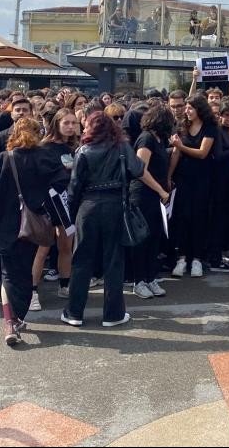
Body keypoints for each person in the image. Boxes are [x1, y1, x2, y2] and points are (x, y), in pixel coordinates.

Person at [61, 112, 162, 328]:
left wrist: (72, 212)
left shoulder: (83, 151)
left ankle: (74, 313)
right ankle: (113, 314)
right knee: (114, 260)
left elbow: (74, 186)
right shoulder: (122, 146)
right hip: (115, 204)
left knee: (82, 260)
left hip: (88, 207)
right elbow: (137, 169)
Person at [0, 118, 59, 346]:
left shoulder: (3, 159)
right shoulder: (44, 157)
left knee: (8, 272)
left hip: (5, 221)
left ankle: (9, 321)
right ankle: (18, 316)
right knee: (26, 269)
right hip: (33, 222)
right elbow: (62, 183)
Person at [26, 109, 79, 310]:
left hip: (68, 202)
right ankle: (32, 291)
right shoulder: (43, 148)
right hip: (48, 203)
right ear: (56, 123)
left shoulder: (74, 147)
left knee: (66, 244)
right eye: (66, 122)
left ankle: (64, 284)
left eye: (74, 122)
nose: (71, 126)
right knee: (43, 249)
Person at [168, 95, 218, 278]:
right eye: (186, 108)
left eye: (190, 108)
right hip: (182, 179)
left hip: (202, 180)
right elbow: (175, 153)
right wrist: (168, 176)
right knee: (182, 218)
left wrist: (180, 146)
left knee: (199, 218)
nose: (186, 111)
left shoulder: (210, 128)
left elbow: (202, 153)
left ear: (199, 109)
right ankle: (181, 258)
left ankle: (197, 259)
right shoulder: (182, 127)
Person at [131, 105, 174, 298]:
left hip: (156, 195)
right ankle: (138, 280)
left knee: (154, 237)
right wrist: (160, 190)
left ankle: (150, 277)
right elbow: (140, 170)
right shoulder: (146, 138)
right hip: (143, 195)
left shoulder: (160, 139)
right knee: (142, 238)